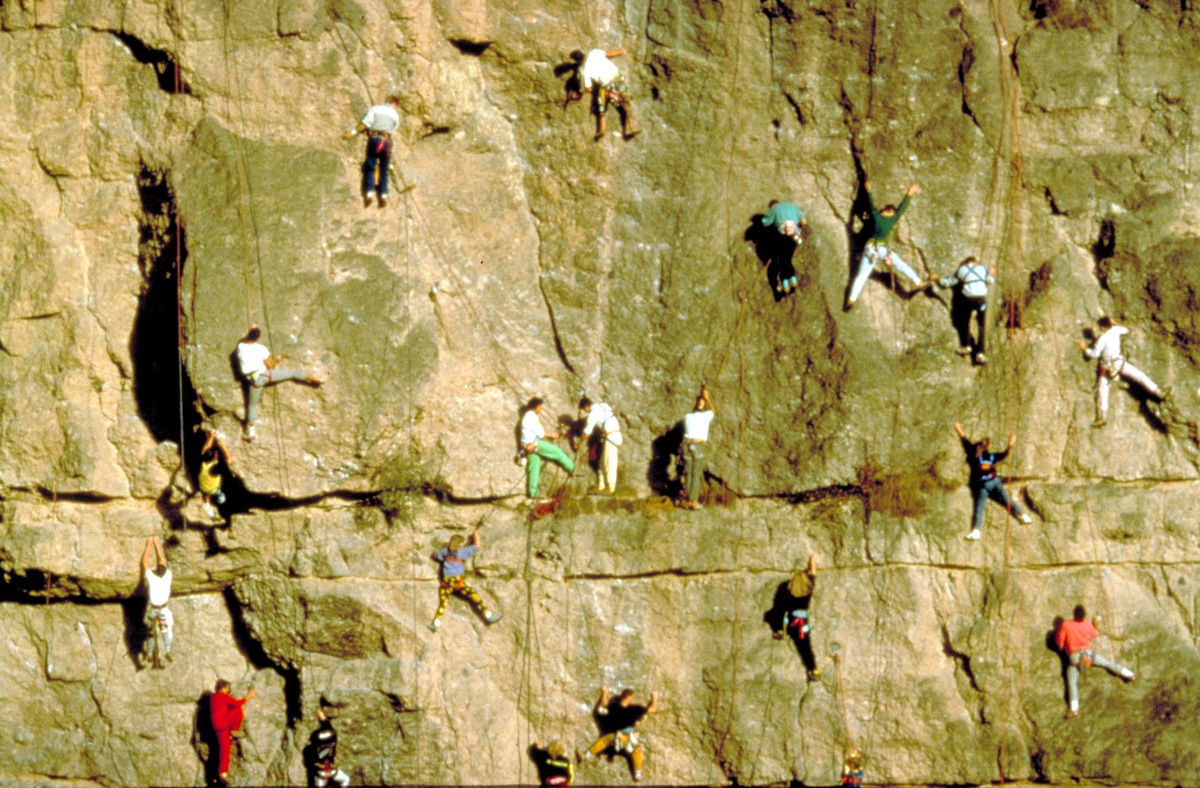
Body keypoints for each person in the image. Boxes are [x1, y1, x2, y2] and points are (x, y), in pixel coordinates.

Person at [236, 323, 324, 441]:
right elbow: (271, 365)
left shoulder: (241, 347)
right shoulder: (261, 349)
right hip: (265, 375)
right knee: (291, 373)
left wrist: (252, 330)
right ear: (258, 337)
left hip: (254, 381)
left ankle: (251, 431)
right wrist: (277, 360)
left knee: (252, 406)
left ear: (248, 335)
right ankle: (315, 379)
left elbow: (243, 340)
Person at [846, 181, 923, 309]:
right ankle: (918, 281)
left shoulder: (876, 217)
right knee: (900, 265)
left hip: (870, 249)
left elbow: (870, 205)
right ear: (891, 212)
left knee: (862, 275)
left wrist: (868, 190)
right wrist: (909, 193)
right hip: (882, 250)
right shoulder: (892, 219)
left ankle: (851, 299)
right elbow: (901, 209)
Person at [1079, 317, 1166, 427]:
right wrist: (1115, 322)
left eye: (1100, 326)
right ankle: (1158, 391)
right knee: (1139, 375)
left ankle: (1102, 416)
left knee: (1103, 389)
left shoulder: (1102, 339)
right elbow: (1126, 330)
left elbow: (1094, 354)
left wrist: (1084, 349)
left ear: (1103, 326)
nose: (1099, 328)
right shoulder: (1116, 330)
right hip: (1119, 362)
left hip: (1107, 366)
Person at [954, 422, 1032, 540]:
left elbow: (964, 440)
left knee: (980, 506)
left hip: (983, 485)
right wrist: (1010, 444)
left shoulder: (972, 453)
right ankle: (1023, 515)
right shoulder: (991, 456)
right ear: (987, 448)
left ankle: (976, 531)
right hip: (994, 481)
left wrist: (959, 429)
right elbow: (1005, 454)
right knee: (1007, 499)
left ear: (978, 447)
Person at [1056, 605, 1135, 719]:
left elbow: (1060, 644)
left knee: (1072, 681)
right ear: (1084, 615)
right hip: (1088, 656)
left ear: (1073, 613)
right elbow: (1095, 634)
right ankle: (1129, 674)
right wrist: (1096, 622)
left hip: (1074, 658)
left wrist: (1065, 646)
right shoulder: (1087, 624)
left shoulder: (1066, 625)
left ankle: (1074, 709)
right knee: (1107, 663)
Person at [427, 529, 502, 632]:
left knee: (443, 603)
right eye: (462, 542)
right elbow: (477, 545)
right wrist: (476, 534)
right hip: (457, 582)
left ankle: (435, 624)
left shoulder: (445, 551)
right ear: (459, 544)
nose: (463, 544)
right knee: (474, 596)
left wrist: (444, 546)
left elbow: (435, 555)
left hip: (446, 583)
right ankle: (488, 616)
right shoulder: (462, 552)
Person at [583, 686, 659, 782]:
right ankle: (638, 773)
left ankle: (587, 755)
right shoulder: (634, 709)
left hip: (614, 737)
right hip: (627, 738)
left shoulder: (614, 707)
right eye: (632, 697)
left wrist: (605, 692)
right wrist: (655, 698)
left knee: (604, 740)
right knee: (637, 749)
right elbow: (653, 709)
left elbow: (604, 703)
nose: (633, 699)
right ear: (629, 697)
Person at [931, 256, 995, 365]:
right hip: (980, 300)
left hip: (968, 300)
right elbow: (991, 281)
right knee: (981, 325)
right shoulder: (983, 268)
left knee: (964, 322)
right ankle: (980, 354)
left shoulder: (961, 270)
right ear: (975, 263)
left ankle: (966, 346)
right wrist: (990, 273)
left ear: (965, 263)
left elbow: (946, 283)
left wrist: (936, 279)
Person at [343, 94, 401, 208]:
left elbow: (365, 123)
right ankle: (383, 195)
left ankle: (369, 193)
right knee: (384, 168)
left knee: (371, 164)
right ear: (394, 103)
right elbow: (393, 128)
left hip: (375, 139)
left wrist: (352, 133)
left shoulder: (375, 109)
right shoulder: (395, 115)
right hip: (387, 142)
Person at [769, 553, 821, 681]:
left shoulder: (789, 590)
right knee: (805, 645)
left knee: (778, 611)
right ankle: (813, 669)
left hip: (790, 620)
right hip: (801, 622)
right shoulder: (808, 589)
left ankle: (780, 630)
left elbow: (780, 607)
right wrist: (812, 558)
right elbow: (812, 572)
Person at [571, 48, 639, 140]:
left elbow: (589, 88)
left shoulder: (585, 70)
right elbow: (609, 53)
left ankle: (601, 130)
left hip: (606, 85)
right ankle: (632, 127)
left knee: (602, 105)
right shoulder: (593, 53)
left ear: (577, 61)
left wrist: (582, 93)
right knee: (626, 101)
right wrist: (621, 51)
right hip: (618, 77)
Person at [520, 398, 576, 501]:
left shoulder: (526, 416)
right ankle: (573, 468)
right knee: (557, 453)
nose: (541, 409)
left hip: (527, 446)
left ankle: (533, 493)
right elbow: (540, 433)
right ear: (536, 407)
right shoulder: (532, 416)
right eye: (540, 407)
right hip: (535, 444)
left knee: (534, 467)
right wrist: (552, 435)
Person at [209, 680, 255, 787]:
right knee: (238, 709)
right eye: (226, 688)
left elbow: (221, 708)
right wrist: (250, 695)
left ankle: (223, 772)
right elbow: (237, 703)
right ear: (221, 688)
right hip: (223, 723)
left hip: (217, 726)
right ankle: (234, 730)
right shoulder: (222, 696)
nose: (228, 690)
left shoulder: (213, 697)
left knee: (225, 747)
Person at [760, 201, 808, 295]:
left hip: (783, 237)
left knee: (782, 260)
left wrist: (763, 219)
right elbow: (804, 221)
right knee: (787, 259)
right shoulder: (794, 207)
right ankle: (792, 278)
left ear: (772, 206)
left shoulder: (774, 209)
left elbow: (766, 223)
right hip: (794, 236)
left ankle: (785, 282)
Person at [139, 536, 173, 668]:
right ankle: (168, 651)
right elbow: (162, 560)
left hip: (154, 610)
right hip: (163, 609)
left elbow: (145, 564)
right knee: (166, 630)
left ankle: (148, 654)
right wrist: (157, 545)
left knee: (151, 632)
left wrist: (148, 546)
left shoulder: (152, 578)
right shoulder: (168, 577)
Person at [680, 386, 716, 510]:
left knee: (688, 474)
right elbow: (713, 410)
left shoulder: (687, 417)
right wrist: (707, 398)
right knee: (696, 475)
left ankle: (688, 500)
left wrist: (702, 399)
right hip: (698, 446)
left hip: (686, 446)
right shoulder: (705, 416)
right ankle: (693, 502)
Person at [579, 398, 622, 493]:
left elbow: (587, 431)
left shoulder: (593, 414)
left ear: (586, 406)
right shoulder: (603, 406)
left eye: (584, 409)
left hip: (611, 436)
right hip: (613, 435)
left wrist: (580, 443)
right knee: (602, 463)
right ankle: (601, 485)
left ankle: (611, 487)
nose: (585, 411)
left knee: (609, 462)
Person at [308, 709, 350, 787]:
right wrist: (324, 719)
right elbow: (327, 726)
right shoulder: (332, 734)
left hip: (322, 772)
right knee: (345, 779)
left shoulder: (316, 736)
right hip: (330, 770)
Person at [197, 427, 231, 519]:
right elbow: (229, 460)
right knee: (220, 497)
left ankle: (207, 504)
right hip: (213, 489)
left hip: (203, 486)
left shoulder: (203, 461)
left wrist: (211, 436)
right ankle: (218, 499)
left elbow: (206, 447)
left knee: (206, 493)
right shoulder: (216, 468)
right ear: (215, 457)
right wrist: (222, 444)